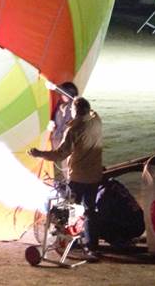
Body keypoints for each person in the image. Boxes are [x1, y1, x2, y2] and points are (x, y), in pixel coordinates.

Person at [30, 97, 103, 257]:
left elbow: (60, 154)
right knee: (90, 210)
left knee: (72, 210)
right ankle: (92, 246)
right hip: (95, 176)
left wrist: (39, 154)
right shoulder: (97, 121)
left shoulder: (74, 130)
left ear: (75, 111)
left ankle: (71, 242)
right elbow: (92, 111)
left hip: (78, 177)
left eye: (71, 110)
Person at [48, 81, 80, 182]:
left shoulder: (74, 106)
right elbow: (54, 114)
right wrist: (52, 122)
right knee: (62, 163)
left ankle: (71, 184)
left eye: (63, 93)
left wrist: (55, 87)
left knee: (67, 165)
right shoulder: (60, 104)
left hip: (66, 142)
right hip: (56, 139)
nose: (61, 95)